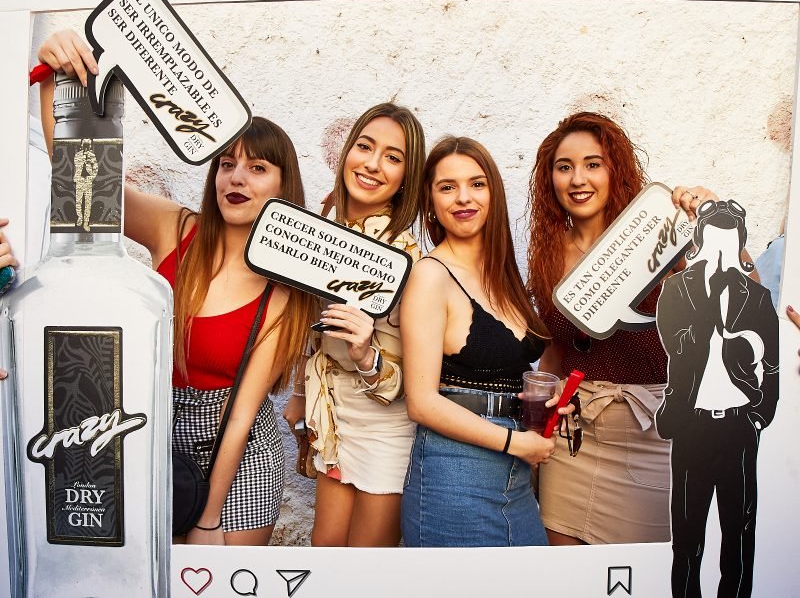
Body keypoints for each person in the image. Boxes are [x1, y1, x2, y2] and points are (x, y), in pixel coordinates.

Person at [36, 29, 315, 546]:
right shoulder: (177, 229)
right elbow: (84, 179)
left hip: (238, 457)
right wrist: (54, 82)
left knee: (218, 586)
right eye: (226, 165)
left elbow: (242, 416)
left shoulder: (285, 287)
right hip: (153, 431)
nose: (236, 178)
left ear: (284, 185)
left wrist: (208, 518)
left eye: (257, 168)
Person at [526, 111, 716, 545]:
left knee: (651, 579)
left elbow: (742, 299)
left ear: (616, 171)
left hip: (653, 433)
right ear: (550, 179)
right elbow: (555, 352)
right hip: (573, 437)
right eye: (564, 167)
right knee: (568, 577)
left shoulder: (659, 234)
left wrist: (715, 224)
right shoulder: (549, 256)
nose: (578, 179)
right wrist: (536, 428)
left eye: (593, 164)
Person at [400, 136, 564, 548]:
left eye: (476, 184)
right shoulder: (430, 275)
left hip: (516, 479)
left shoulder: (503, 276)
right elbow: (422, 402)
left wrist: (551, 400)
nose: (463, 197)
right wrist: (515, 443)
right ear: (430, 202)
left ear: (493, 193)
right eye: (447, 187)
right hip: (455, 475)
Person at [283, 103, 424, 547]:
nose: (372, 164)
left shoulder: (409, 260)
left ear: (407, 176)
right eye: (365, 147)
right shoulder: (324, 231)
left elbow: (416, 381)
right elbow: (314, 328)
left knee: (365, 570)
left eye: (393, 157)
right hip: (334, 417)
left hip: (385, 427)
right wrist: (300, 394)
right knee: (324, 555)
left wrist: (366, 355)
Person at [656, 199, 779, 598]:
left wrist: (760, 414)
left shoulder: (757, 296)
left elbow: (772, 364)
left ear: (741, 242)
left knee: (739, 546)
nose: (723, 249)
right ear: (701, 240)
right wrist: (713, 302)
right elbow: (680, 347)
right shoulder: (677, 290)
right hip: (691, 428)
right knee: (687, 539)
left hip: (738, 431)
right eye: (715, 239)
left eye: (732, 240)